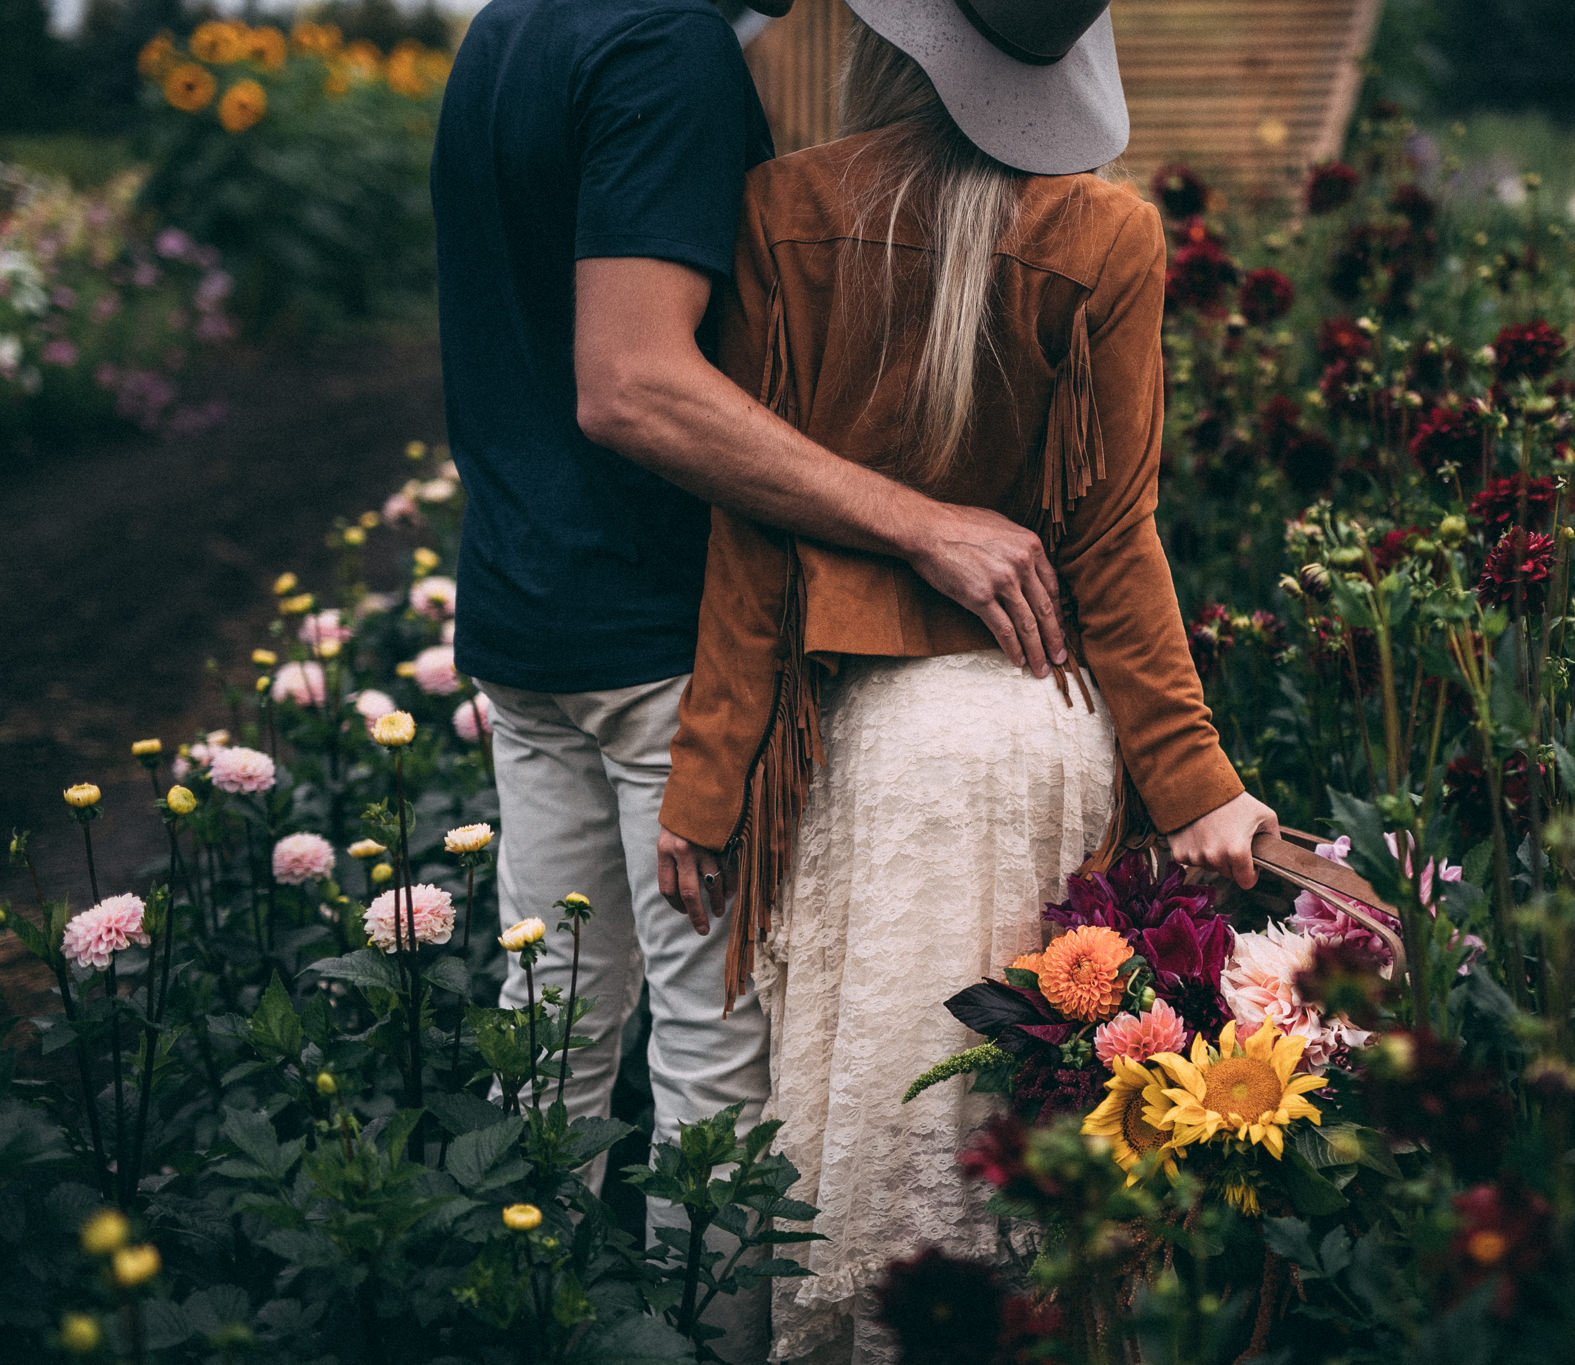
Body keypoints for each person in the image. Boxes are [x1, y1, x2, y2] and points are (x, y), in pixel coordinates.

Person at [429, 0, 1072, 1322]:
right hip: (657, 634)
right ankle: (702, 1346)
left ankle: (510, 1315)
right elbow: (630, 382)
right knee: (713, 1067)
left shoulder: (511, 24)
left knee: (547, 1027)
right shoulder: (666, 48)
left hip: (526, 612)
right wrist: (921, 520)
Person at [660, 1, 1277, 1357]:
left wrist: (707, 783)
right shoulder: (1106, 235)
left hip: (870, 742)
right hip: (1041, 726)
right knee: (1032, 1110)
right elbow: (1115, 546)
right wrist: (1201, 787)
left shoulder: (783, 210)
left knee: (878, 1108)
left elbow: (751, 537)